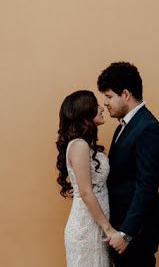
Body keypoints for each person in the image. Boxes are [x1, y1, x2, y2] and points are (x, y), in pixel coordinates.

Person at [98, 62, 159, 267]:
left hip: (137, 233)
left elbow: (146, 186)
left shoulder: (148, 129)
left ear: (126, 94)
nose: (105, 103)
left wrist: (126, 234)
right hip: (121, 228)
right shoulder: (124, 126)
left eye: (109, 96)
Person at [57, 90, 122, 267]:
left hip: (96, 226)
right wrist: (108, 229)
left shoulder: (86, 145)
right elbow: (86, 192)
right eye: (95, 106)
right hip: (87, 229)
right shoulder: (79, 145)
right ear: (84, 112)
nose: (101, 108)